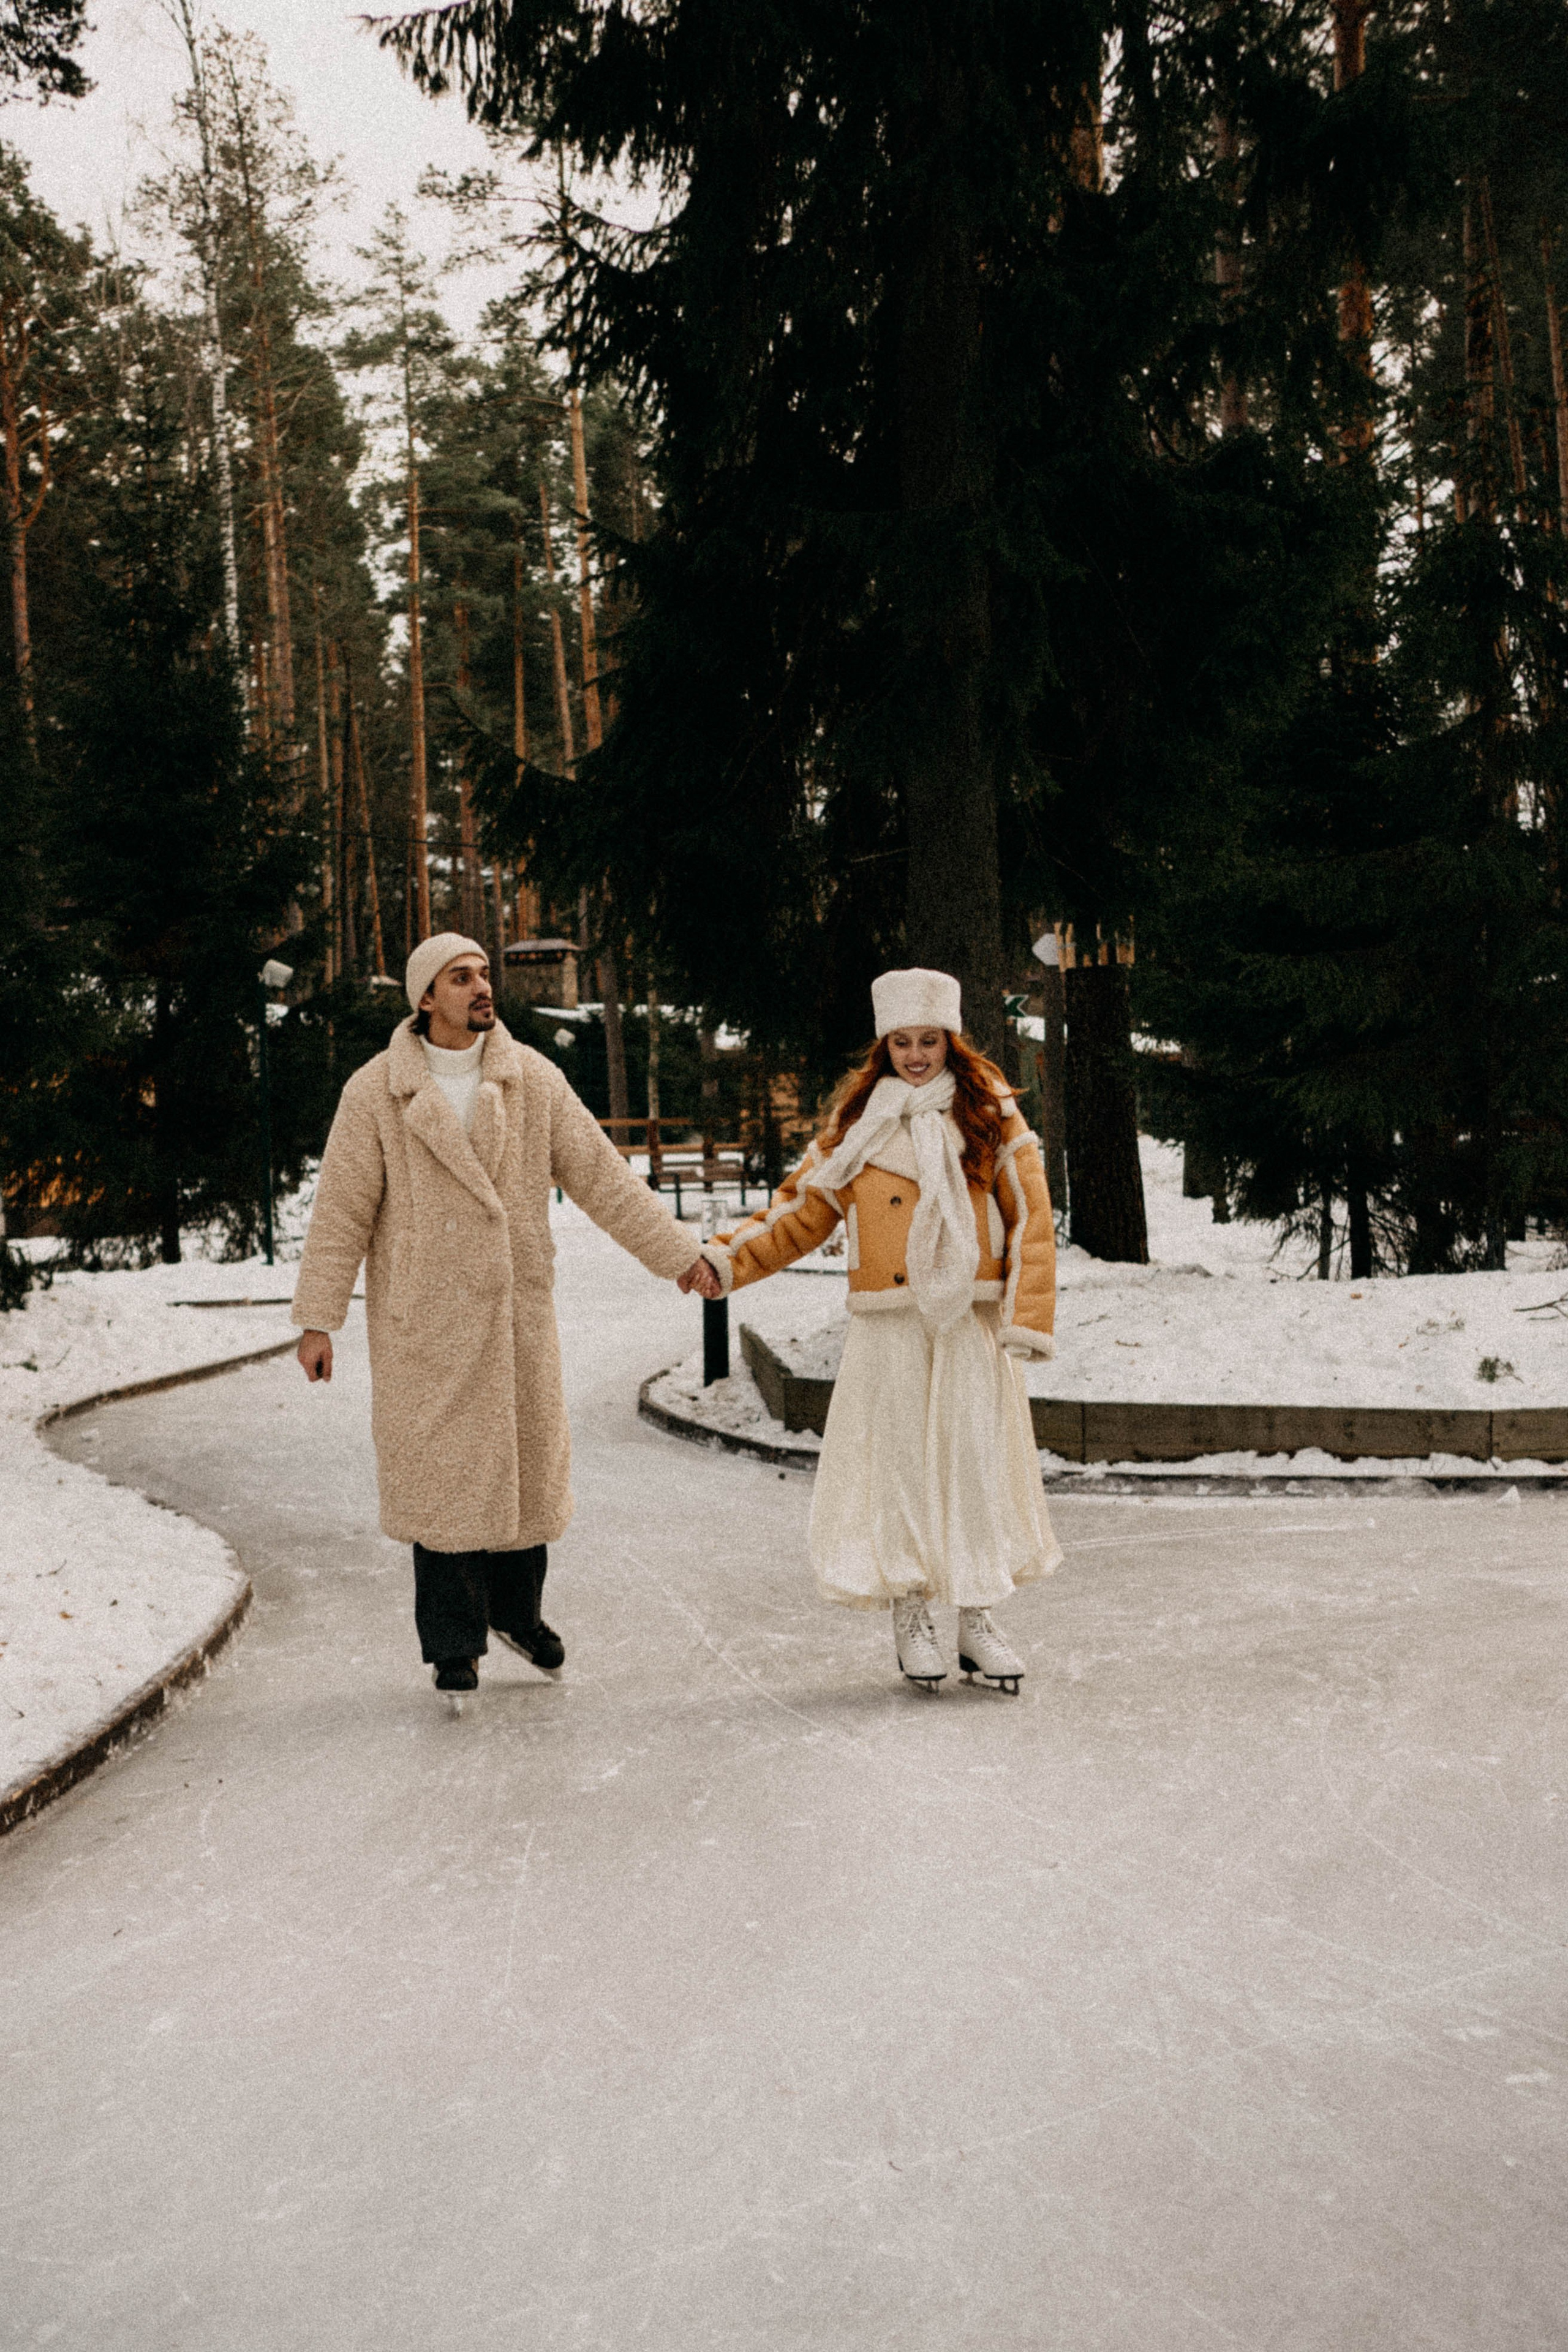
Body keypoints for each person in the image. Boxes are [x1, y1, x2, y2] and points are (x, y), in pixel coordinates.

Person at [291, 933, 721, 1713]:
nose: (482, 987)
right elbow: (341, 1212)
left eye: (485, 973)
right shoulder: (377, 1092)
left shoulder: (533, 1081)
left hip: (514, 1310)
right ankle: (455, 1644)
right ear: (427, 998)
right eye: (462, 978)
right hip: (425, 1322)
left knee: (521, 1468)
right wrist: (319, 1320)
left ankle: (519, 1615)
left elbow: (604, 1180)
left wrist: (678, 1256)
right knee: (443, 1481)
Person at [699, 968, 1061, 1692]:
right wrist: (725, 1262)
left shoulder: (990, 1114)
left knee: (971, 1464)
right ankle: (912, 1614)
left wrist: (1026, 1319)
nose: (917, 1055)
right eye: (903, 1042)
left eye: (929, 1041)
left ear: (951, 1041)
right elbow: (799, 1214)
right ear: (884, 1045)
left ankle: (976, 1615)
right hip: (890, 1324)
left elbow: (1033, 1221)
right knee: (900, 1468)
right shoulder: (857, 1126)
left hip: (967, 1319)